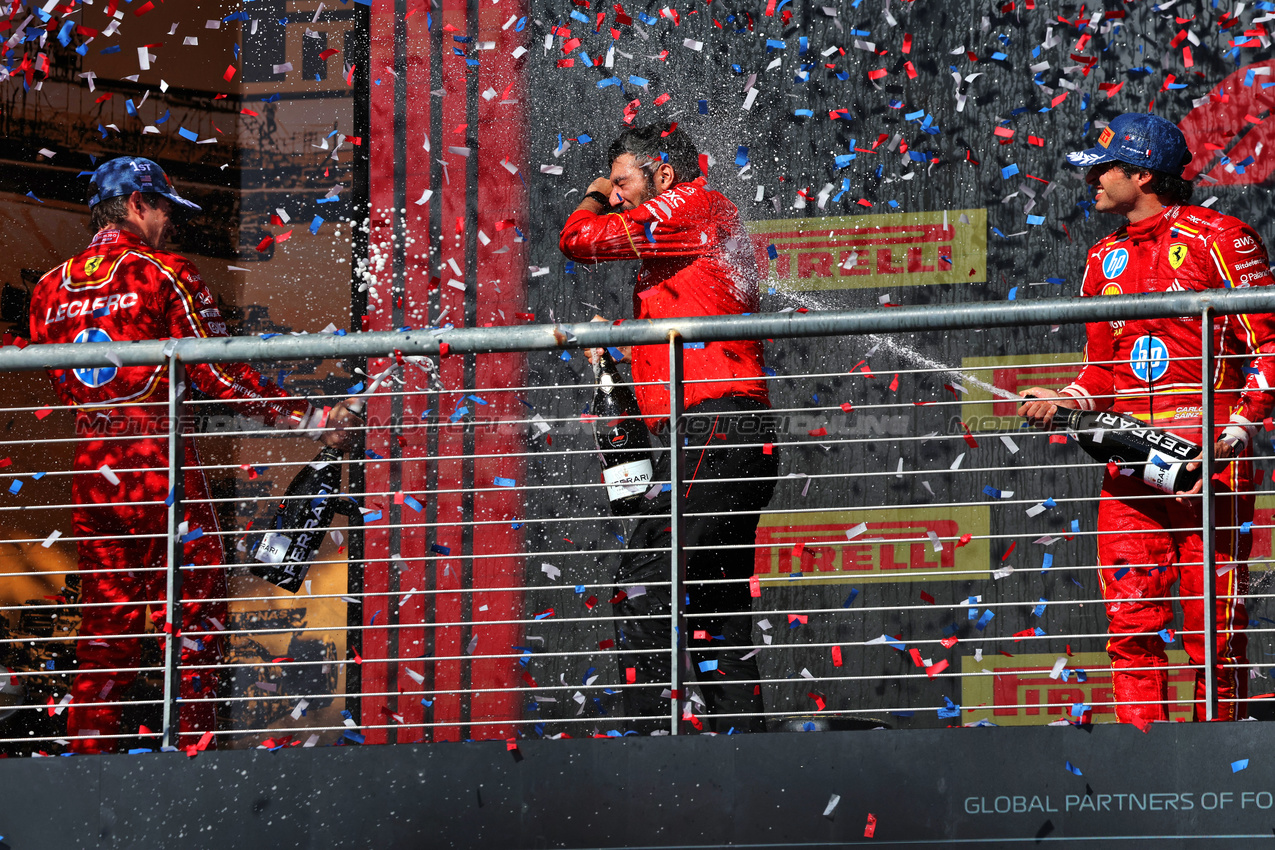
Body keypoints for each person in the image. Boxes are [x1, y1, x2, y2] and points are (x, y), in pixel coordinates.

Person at [28, 156, 361, 753]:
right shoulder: (164, 272)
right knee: (198, 612)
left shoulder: (47, 288)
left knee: (107, 627)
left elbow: (65, 382)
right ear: (136, 205)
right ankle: (195, 760)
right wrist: (313, 420)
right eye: (162, 210)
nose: (168, 225)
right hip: (157, 469)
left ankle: (86, 766)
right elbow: (218, 374)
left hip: (90, 475)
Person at [1018, 113, 1275, 725]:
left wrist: (1238, 430)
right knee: (1131, 619)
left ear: (1143, 173)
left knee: (1212, 622)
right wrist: (1065, 399)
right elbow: (1100, 373)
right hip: (1132, 462)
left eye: (1104, 169)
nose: (1093, 180)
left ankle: (1219, 760)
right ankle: (1143, 760)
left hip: (1211, 461)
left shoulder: (1224, 237)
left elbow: (1269, 348)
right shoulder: (1101, 255)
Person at [559, 123, 777, 733]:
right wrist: (619, 349)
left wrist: (594, 194)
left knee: (643, 579)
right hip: (721, 432)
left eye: (624, 179)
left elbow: (578, 239)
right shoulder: (687, 233)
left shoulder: (696, 202)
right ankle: (749, 758)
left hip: (720, 428)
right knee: (713, 601)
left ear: (664, 176)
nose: (618, 193)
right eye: (613, 185)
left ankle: (650, 747)